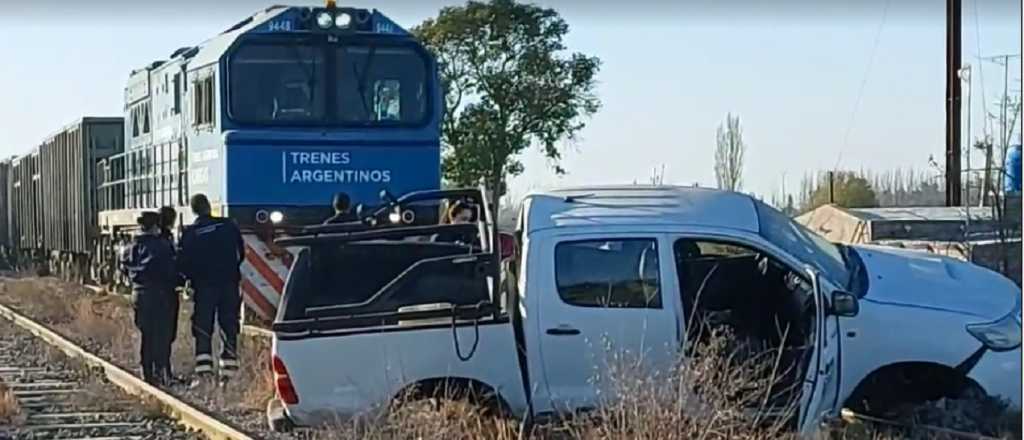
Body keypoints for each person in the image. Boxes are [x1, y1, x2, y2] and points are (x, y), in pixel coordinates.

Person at [177, 194, 245, 385]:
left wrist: (190, 279)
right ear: (209, 206)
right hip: (228, 283)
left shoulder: (191, 232)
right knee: (229, 323)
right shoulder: (228, 226)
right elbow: (240, 253)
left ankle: (204, 370)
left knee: (203, 326)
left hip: (204, 286)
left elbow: (183, 262)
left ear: (193, 210)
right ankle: (229, 370)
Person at [120, 211, 177, 386]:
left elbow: (124, 269)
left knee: (146, 333)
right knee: (163, 334)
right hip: (161, 294)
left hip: (139, 294)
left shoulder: (130, 248)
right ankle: (162, 371)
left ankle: (147, 371)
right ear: (155, 227)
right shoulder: (163, 246)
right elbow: (172, 270)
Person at [158, 206, 182, 383]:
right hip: (166, 293)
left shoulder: (149, 240)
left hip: (151, 293)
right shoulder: (165, 242)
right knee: (166, 333)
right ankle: (163, 371)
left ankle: (156, 371)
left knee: (153, 334)